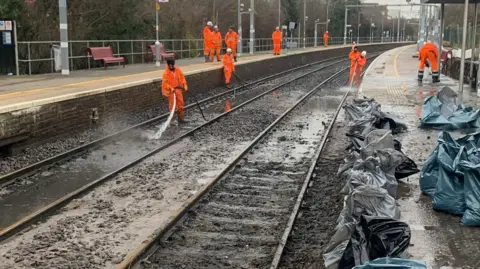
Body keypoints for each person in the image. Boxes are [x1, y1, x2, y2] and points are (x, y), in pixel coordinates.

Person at [162, 59, 188, 124]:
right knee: (172, 106)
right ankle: (173, 121)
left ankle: (181, 119)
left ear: (173, 65)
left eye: (171, 65)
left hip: (178, 90)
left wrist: (185, 85)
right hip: (172, 92)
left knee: (180, 104)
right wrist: (170, 88)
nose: (170, 67)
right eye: (169, 65)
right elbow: (165, 83)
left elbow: (182, 78)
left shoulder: (178, 70)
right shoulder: (166, 73)